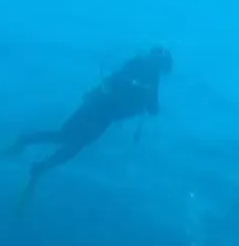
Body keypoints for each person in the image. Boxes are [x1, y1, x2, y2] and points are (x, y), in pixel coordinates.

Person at [9, 47, 174, 206]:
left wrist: (140, 93)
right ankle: (39, 167)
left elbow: (142, 98)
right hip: (102, 113)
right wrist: (139, 91)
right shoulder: (146, 70)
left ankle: (27, 143)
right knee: (74, 146)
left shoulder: (143, 68)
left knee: (65, 137)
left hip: (95, 105)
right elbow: (149, 104)